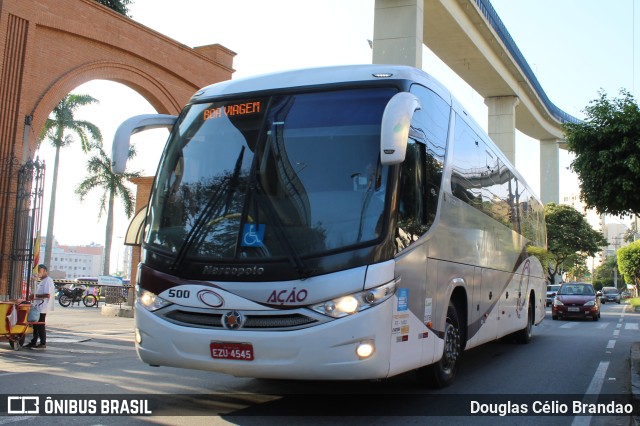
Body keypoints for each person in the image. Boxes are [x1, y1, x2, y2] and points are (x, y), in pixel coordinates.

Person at [24, 264, 55, 349]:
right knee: (35, 325)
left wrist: (35, 296)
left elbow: (47, 295)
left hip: (42, 306)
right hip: (38, 306)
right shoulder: (42, 281)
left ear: (45, 271)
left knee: (40, 324)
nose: (39, 273)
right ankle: (33, 341)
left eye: (40, 271)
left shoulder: (48, 281)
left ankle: (42, 342)